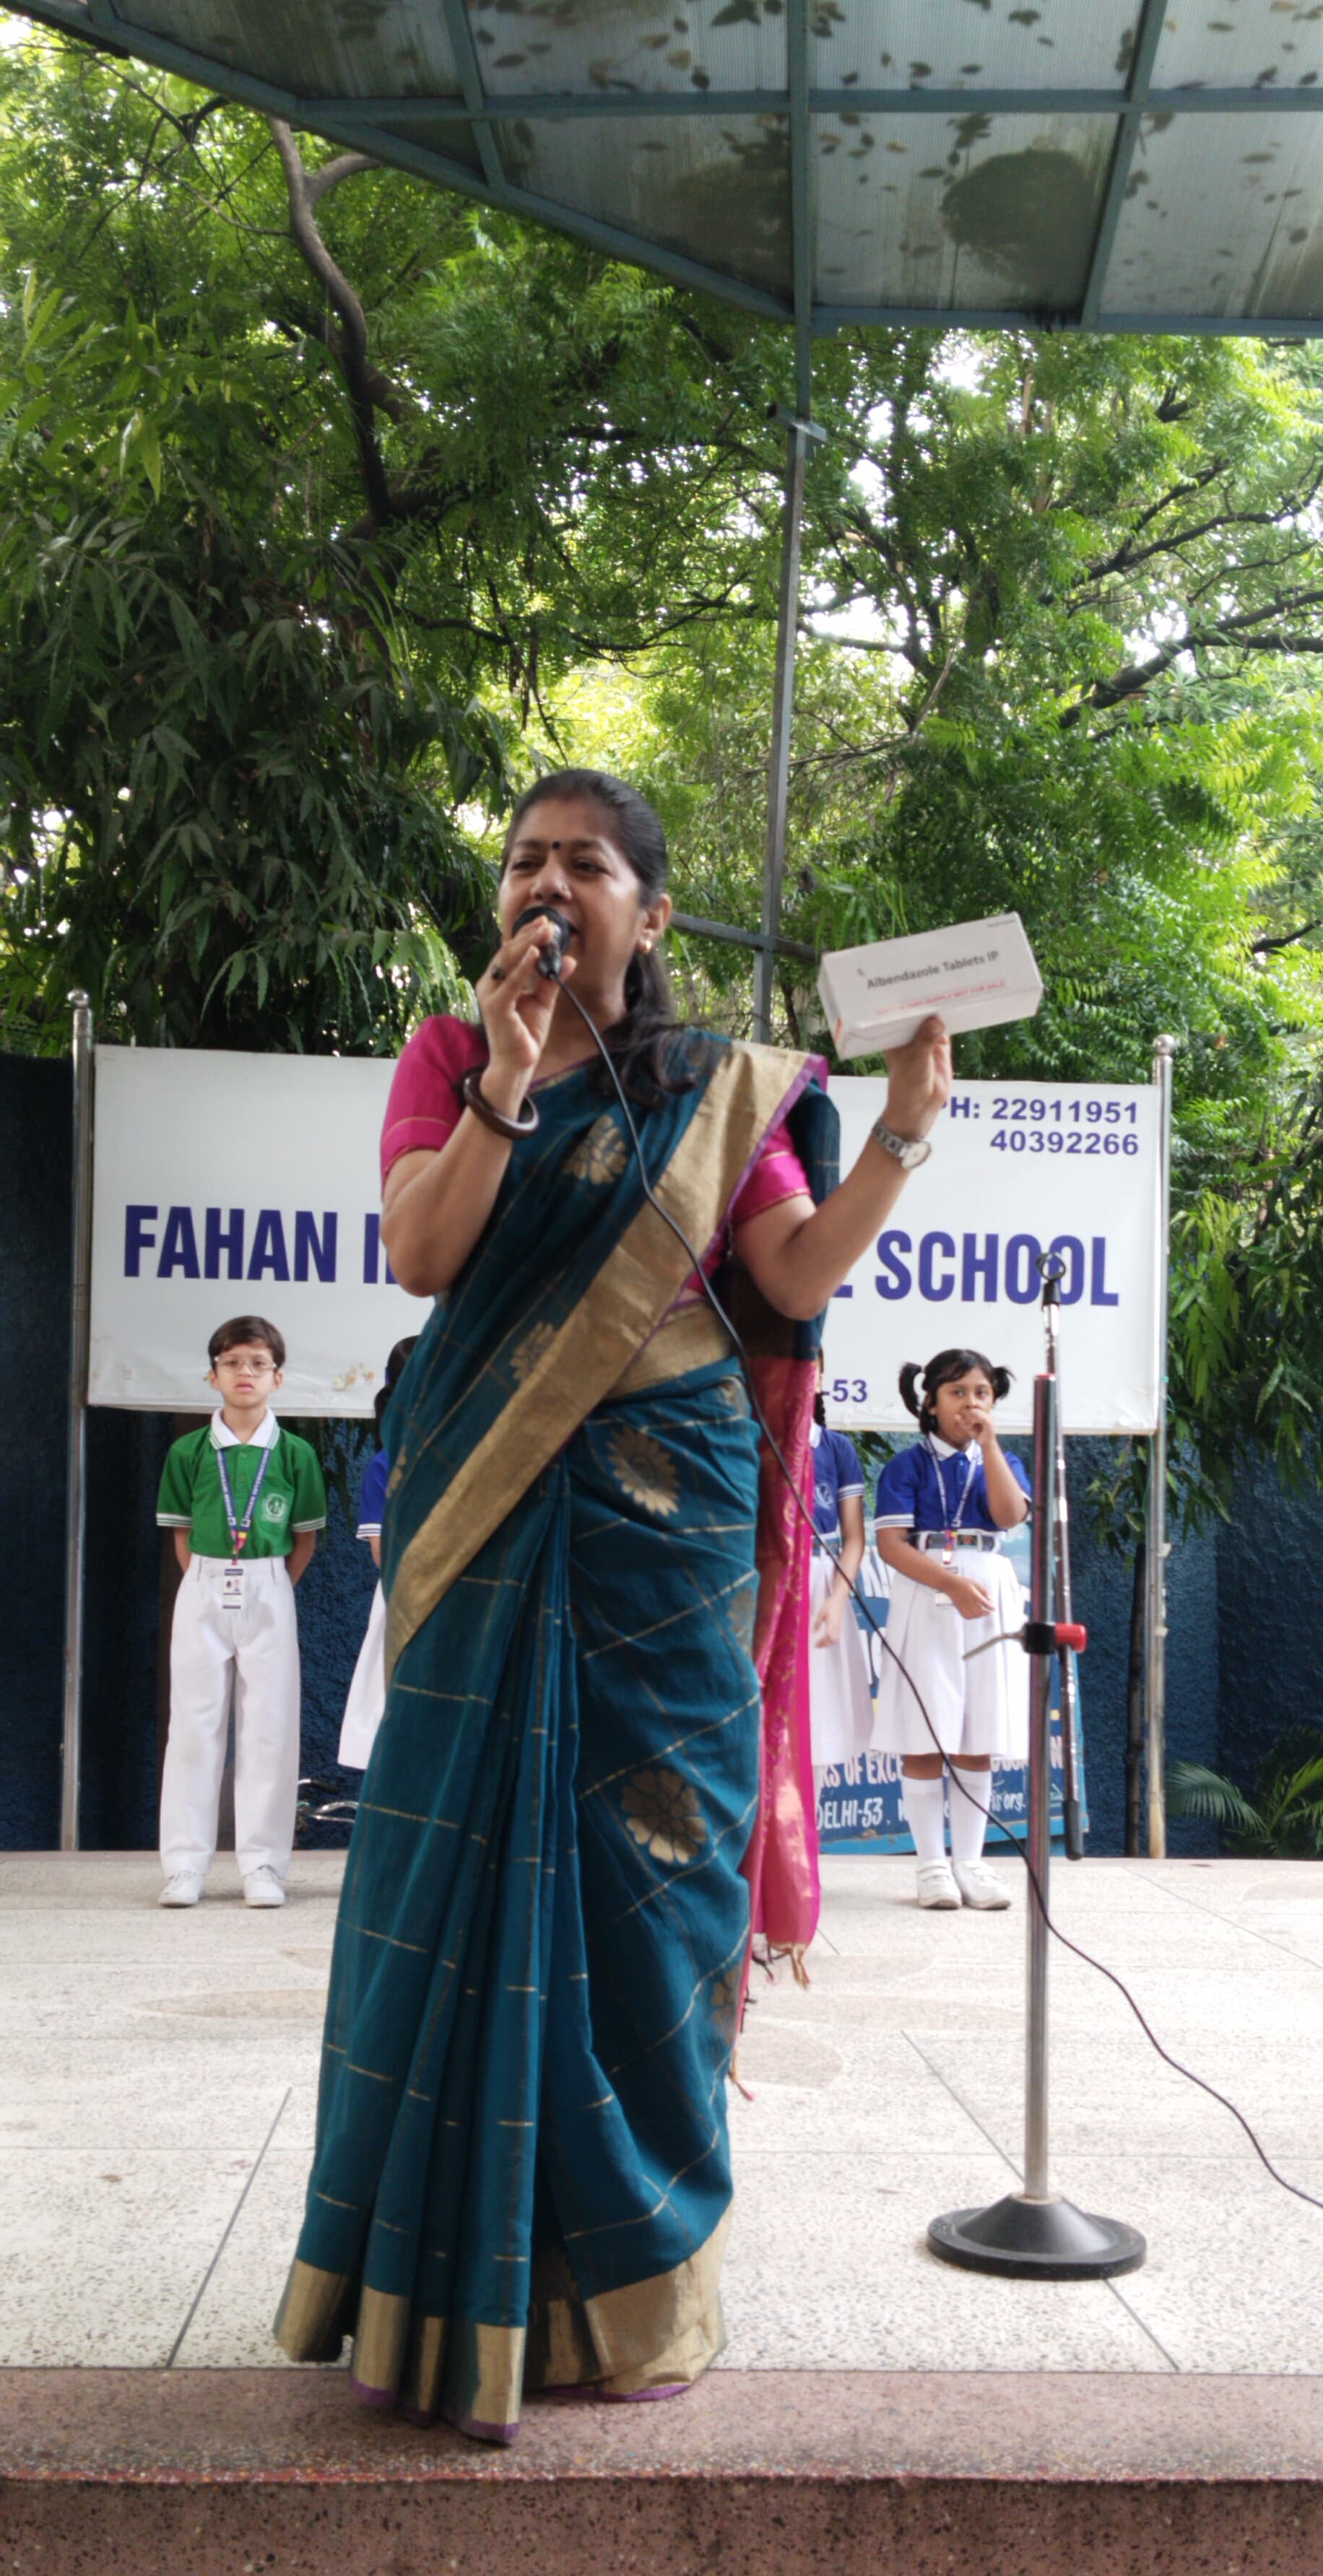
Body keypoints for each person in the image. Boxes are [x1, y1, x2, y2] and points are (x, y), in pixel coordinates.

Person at [274, 767, 950, 2440]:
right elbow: (424, 1257)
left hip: (666, 1537)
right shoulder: (449, 1053)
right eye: (525, 860)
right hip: (484, 1509)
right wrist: (506, 1076)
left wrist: (900, 1132)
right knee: (446, 1869)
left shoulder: (714, 1089)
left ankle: (634, 2281)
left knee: (655, 1894)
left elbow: (789, 1277)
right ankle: (439, 2287)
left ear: (648, 913)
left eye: (585, 862)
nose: (547, 882)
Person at [156, 1315, 327, 1910]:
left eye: (258, 1363)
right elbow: (181, 1532)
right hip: (204, 1581)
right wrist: (207, 1578)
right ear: (213, 1375)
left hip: (269, 1583)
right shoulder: (187, 1451)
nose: (244, 1373)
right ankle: (184, 1865)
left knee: (270, 1727)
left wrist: (270, 1585)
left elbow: (304, 1539)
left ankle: (263, 1865)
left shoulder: (296, 1454)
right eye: (232, 1363)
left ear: (278, 1377)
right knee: (194, 1726)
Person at [869, 1348, 1031, 1913]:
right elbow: (892, 1545)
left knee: (976, 1730)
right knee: (926, 1727)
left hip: (988, 1586)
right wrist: (950, 1584)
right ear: (931, 1402)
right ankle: (931, 1865)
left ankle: (971, 1862)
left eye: (981, 1393)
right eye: (957, 1392)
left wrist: (991, 1446)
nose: (970, 1403)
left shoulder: (1002, 1460)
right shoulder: (906, 1465)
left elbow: (1009, 1516)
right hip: (928, 1587)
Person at [337, 1336, 420, 1774]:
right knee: (394, 1704)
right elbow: (381, 1551)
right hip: (404, 1593)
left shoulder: (473, 1453)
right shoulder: (384, 1464)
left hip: (468, 1595)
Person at [808, 1354, 873, 1803]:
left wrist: (836, 1599)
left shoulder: (836, 1449)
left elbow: (854, 1538)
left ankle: (804, 1833)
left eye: (808, 1367)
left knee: (818, 1722)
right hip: (768, 1580)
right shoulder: (754, 1440)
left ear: (819, 1377)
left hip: (821, 1583)